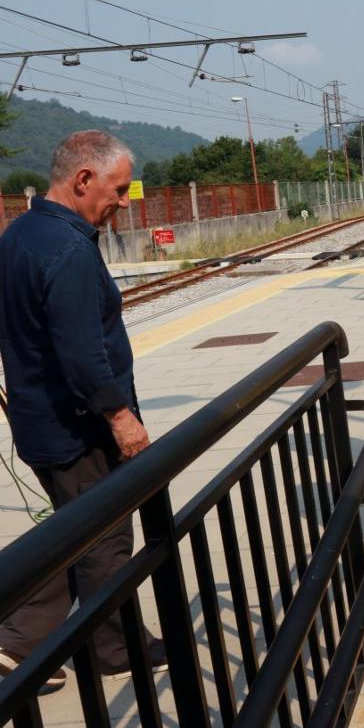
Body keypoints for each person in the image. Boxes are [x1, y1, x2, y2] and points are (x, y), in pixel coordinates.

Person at [0, 130, 166, 692]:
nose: (123, 201)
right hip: (77, 427)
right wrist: (121, 417)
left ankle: (22, 640)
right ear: (83, 180)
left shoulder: (21, 232)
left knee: (76, 533)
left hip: (40, 417)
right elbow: (81, 353)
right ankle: (105, 649)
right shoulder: (69, 249)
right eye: (118, 189)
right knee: (103, 539)